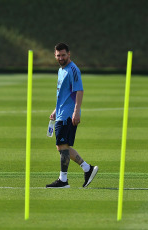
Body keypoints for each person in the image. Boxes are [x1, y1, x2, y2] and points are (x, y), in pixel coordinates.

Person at [46, 43, 98, 188]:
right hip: (61, 112)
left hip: (68, 115)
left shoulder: (73, 70)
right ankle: (88, 169)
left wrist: (76, 111)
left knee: (62, 146)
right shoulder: (61, 70)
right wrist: (56, 110)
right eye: (58, 55)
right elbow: (63, 93)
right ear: (55, 55)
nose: (61, 58)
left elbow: (79, 91)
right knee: (62, 146)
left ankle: (63, 180)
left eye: (63, 55)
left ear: (69, 54)